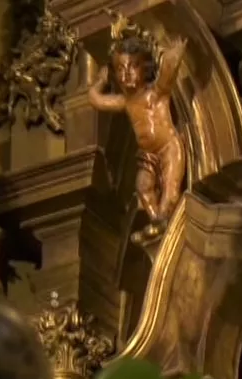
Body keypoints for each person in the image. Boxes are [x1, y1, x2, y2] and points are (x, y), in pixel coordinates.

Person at [88, 19, 186, 229]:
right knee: (142, 187)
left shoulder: (155, 93)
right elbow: (97, 100)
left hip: (168, 148)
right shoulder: (126, 102)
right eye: (121, 69)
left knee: (170, 191)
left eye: (133, 66)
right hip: (147, 154)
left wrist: (176, 51)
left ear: (145, 68)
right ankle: (158, 220)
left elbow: (168, 73)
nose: (126, 74)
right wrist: (100, 82)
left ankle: (166, 222)